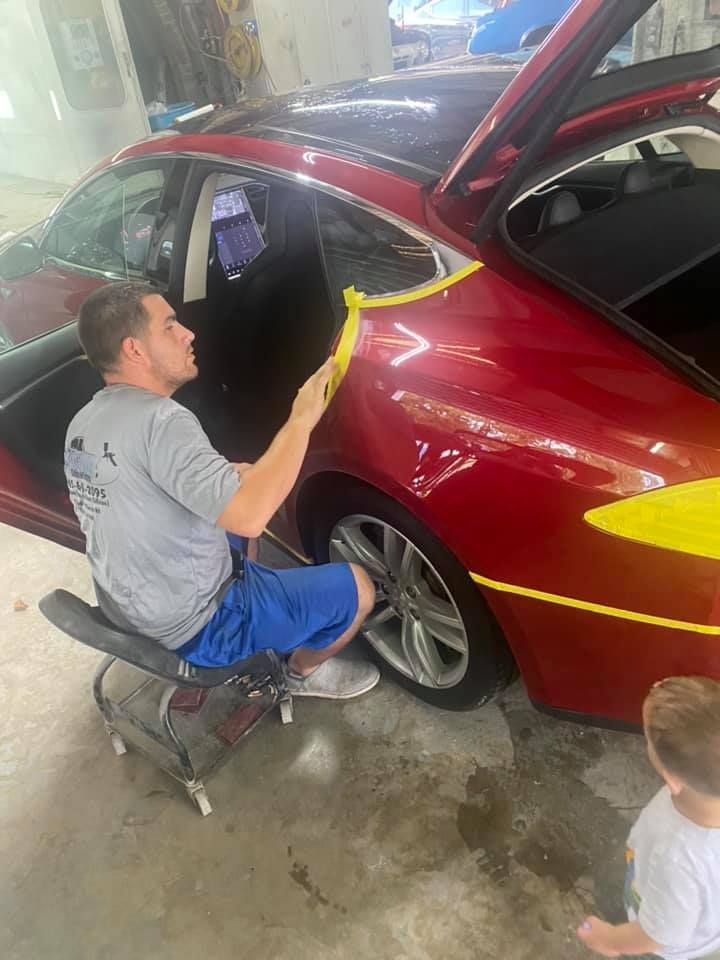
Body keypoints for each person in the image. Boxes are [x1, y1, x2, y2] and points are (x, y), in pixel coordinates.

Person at [64, 281, 379, 700]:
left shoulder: (85, 423)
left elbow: (139, 482)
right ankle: (296, 676)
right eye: (170, 326)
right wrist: (301, 418)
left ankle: (257, 604)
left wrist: (235, 475)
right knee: (358, 588)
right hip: (199, 626)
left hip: (128, 611)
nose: (188, 334)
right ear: (134, 350)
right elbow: (252, 515)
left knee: (241, 494)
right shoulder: (163, 422)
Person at [577, 676, 720, 960]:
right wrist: (675, 698)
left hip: (691, 947)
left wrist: (610, 939)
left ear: (672, 779)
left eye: (648, 741)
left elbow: (656, 935)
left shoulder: (677, 859)